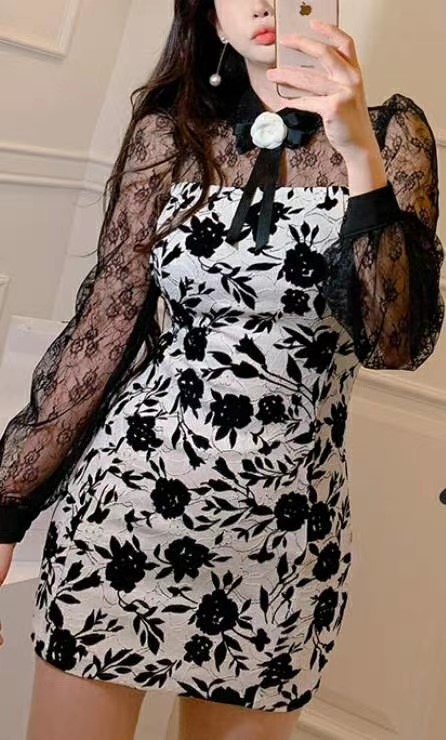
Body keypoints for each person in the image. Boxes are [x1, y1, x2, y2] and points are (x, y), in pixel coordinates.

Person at [0, 1, 444, 738]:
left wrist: (359, 150)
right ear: (207, 13)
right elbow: (102, 331)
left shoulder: (392, 135)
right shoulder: (167, 136)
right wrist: (7, 505)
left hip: (283, 536)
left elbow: (393, 340)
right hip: (126, 513)